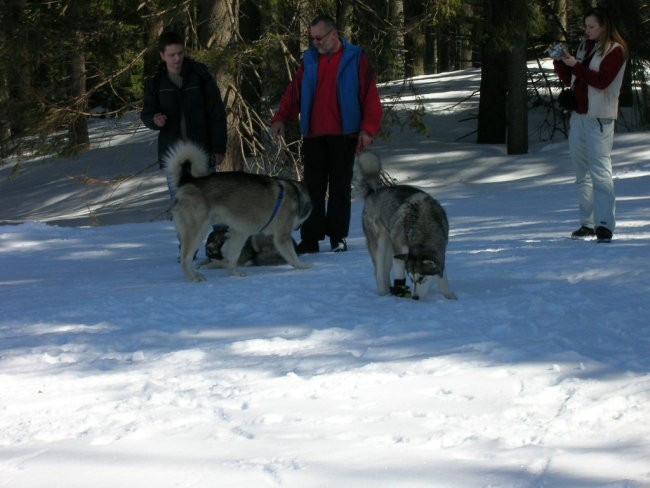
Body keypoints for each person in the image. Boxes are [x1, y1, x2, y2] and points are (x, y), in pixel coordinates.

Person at [270, 14, 383, 253]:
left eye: (319, 38)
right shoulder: (309, 59)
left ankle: (338, 237)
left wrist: (368, 129)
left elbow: (370, 97)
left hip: (345, 133)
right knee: (312, 188)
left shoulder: (355, 58)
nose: (316, 43)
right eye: (313, 39)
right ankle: (310, 238)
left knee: (340, 187)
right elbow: (294, 93)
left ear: (334, 34)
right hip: (314, 134)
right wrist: (280, 117)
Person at [552, 7, 628, 243]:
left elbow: (601, 81)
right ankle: (588, 223)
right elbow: (575, 79)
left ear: (604, 26)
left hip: (599, 118)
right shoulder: (586, 46)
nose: (587, 30)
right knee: (581, 172)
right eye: (586, 26)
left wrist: (575, 65)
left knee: (600, 172)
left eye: (592, 26)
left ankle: (605, 224)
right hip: (580, 116)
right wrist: (561, 63)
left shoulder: (615, 50)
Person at [141, 31, 227, 199]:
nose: (177, 59)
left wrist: (219, 148)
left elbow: (216, 113)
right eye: (171, 55)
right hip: (174, 155)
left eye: (180, 53)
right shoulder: (156, 81)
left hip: (202, 151)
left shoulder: (200, 75)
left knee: (208, 202)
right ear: (162, 55)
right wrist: (154, 119)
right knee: (181, 205)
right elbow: (147, 112)